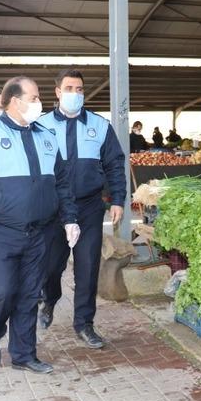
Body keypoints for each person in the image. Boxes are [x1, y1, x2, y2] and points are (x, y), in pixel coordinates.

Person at [0, 76, 79, 374]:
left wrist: (70, 218)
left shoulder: (46, 136)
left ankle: (23, 354)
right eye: (33, 98)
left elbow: (61, 183)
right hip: (0, 233)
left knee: (28, 294)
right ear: (14, 101)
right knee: (2, 291)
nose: (39, 104)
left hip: (39, 231)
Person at [37, 69, 127, 349]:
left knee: (87, 267)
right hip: (53, 209)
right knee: (50, 267)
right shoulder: (40, 125)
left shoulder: (99, 126)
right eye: (69, 88)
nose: (75, 93)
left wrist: (117, 200)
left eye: (79, 89)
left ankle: (84, 324)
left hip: (88, 207)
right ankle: (50, 299)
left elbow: (114, 163)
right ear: (57, 92)